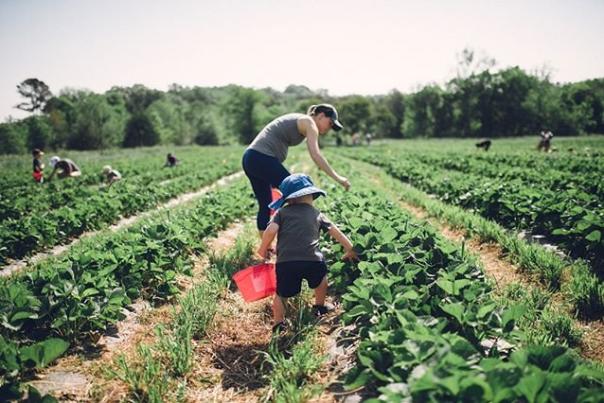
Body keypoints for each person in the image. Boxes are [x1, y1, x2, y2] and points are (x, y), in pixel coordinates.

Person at [257, 173, 358, 332]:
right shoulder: (317, 213)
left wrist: (263, 248)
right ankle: (319, 306)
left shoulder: (281, 213)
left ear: (288, 199)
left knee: (281, 294)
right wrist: (350, 248)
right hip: (313, 260)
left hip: (286, 263)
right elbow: (335, 232)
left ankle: (278, 323)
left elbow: (271, 230)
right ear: (310, 194)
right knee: (321, 282)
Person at [242, 104, 350, 234]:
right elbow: (316, 155)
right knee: (300, 194)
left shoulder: (302, 120)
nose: (330, 128)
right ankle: (303, 237)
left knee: (265, 203)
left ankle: (265, 248)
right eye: (330, 123)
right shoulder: (310, 123)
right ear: (321, 116)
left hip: (250, 158)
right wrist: (339, 178)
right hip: (262, 158)